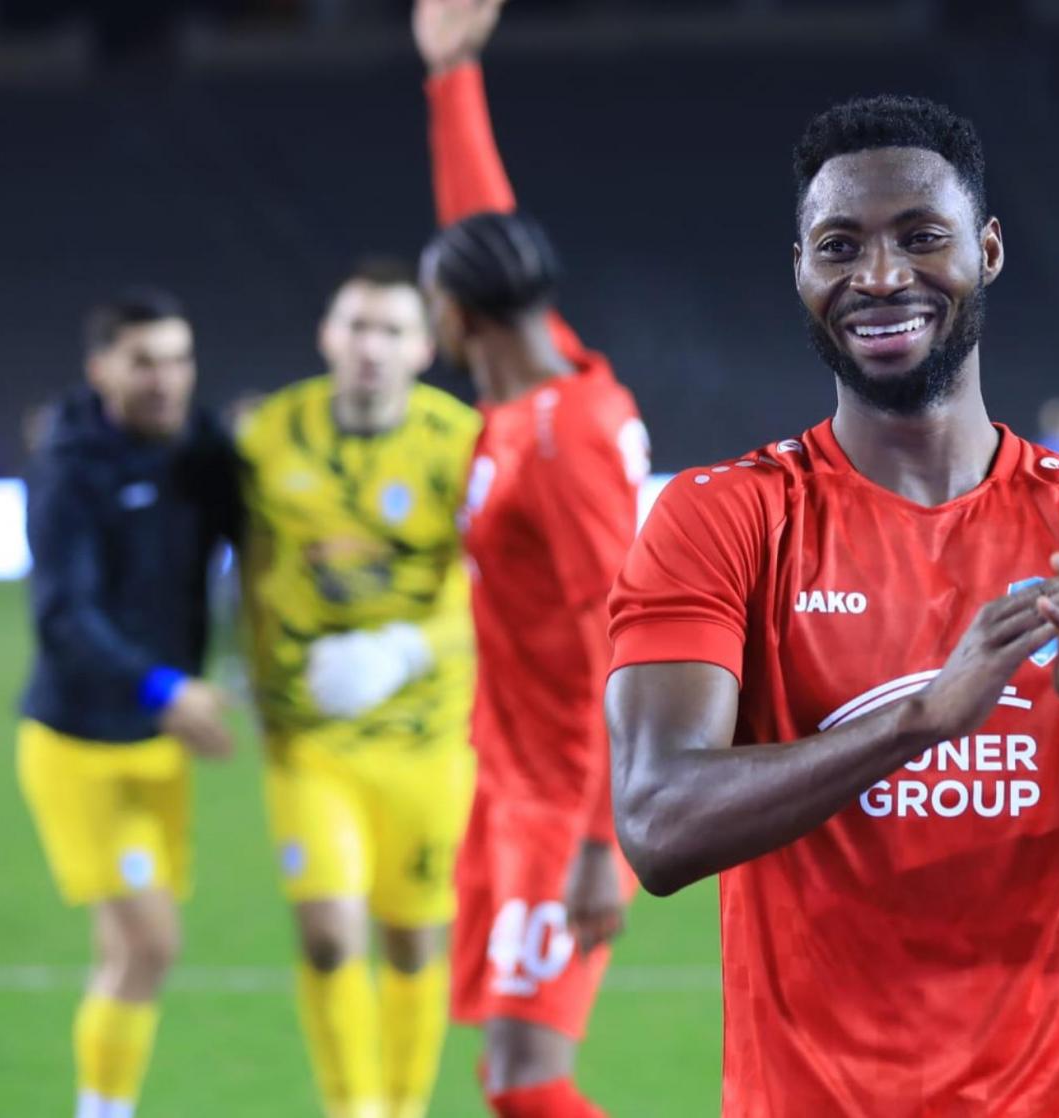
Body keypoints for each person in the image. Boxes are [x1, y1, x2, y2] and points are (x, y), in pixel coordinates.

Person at [605, 94, 1059, 1116]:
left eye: (921, 236)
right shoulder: (724, 519)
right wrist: (919, 718)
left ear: (988, 250)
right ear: (800, 270)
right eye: (839, 246)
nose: (880, 276)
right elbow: (656, 822)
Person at [413, 1, 650, 1113]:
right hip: (511, 783)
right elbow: (481, 229)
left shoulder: (560, 443)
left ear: (459, 320)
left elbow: (625, 633)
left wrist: (601, 838)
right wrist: (451, 77)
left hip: (564, 800)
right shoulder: (532, 390)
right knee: (506, 1071)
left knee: (524, 1077)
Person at [236, 257, 481, 1118]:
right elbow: (234, 556)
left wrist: (403, 649)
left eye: (390, 331)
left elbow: (505, 589)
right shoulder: (268, 437)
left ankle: (402, 1106)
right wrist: (237, 664)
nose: (369, 346)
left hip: (428, 734)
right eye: (356, 326)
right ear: (327, 336)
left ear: (422, 347)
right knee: (328, 934)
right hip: (308, 735)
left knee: (412, 940)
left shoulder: (461, 444)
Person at [17, 288, 241, 1118]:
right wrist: (163, 686)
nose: (165, 379)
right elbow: (62, 617)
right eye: (143, 362)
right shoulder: (69, 470)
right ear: (100, 369)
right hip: (80, 746)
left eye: (178, 359)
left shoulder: (203, 449)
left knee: (124, 955)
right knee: (151, 944)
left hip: (155, 743)